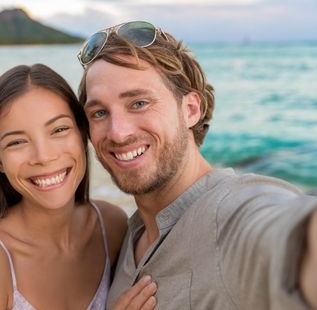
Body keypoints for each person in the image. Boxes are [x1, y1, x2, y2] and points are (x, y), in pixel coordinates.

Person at [76, 21, 317, 309]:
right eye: (100, 112)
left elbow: (290, 237)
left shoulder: (233, 214)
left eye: (139, 103)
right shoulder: (129, 237)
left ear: (190, 109)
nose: (118, 132)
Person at [0, 64, 158, 310]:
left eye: (59, 130)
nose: (44, 156)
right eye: (17, 142)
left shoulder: (111, 226)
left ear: (83, 134)